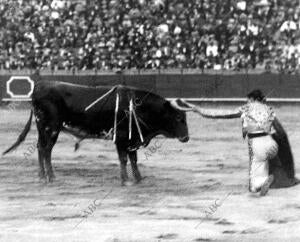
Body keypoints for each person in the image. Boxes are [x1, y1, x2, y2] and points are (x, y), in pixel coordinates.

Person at [182, 89, 297, 196]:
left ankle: (260, 185)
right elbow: (280, 132)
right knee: (271, 164)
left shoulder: (246, 108)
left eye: (247, 100)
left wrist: (199, 110)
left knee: (253, 186)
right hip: (271, 143)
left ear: (252, 99)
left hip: (257, 144)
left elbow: (221, 114)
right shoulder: (269, 109)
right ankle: (274, 178)